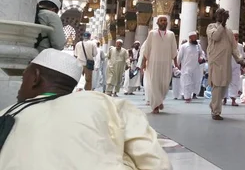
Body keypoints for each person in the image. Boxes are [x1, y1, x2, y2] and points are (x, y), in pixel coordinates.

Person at [0, 49, 171, 169]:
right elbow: (155, 161)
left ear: (35, 78)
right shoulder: (104, 102)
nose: (20, 89)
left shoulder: (7, 114)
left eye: (23, 79)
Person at [206, 8, 242, 120]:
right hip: (216, 62)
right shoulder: (211, 27)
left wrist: (239, 59)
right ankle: (216, 111)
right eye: (221, 15)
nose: (223, 18)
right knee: (217, 85)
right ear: (217, 16)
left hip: (226, 63)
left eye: (225, 16)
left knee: (223, 86)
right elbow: (216, 36)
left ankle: (214, 104)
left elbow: (234, 48)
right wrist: (221, 25)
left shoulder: (229, 31)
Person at [142, 15, 178, 114]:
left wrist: (176, 63)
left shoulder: (171, 34)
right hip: (153, 62)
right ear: (157, 23)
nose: (163, 22)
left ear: (167, 23)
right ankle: (155, 106)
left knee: (164, 84)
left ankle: (159, 100)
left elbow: (174, 49)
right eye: (161, 20)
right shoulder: (152, 33)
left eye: (165, 20)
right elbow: (147, 49)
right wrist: (143, 63)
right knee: (154, 83)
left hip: (166, 63)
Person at [177, 32, 205, 103]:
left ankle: (191, 95)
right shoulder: (184, 46)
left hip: (196, 68)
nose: (195, 39)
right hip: (186, 68)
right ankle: (187, 97)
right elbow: (179, 57)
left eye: (196, 37)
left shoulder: (198, 46)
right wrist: (177, 65)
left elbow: (201, 54)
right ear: (190, 38)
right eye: (194, 37)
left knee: (194, 82)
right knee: (187, 83)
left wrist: (201, 58)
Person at [224, 30, 244, 106]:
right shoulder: (226, 45)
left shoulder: (240, 46)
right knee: (225, 83)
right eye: (234, 36)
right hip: (227, 66)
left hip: (236, 67)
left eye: (237, 36)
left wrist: (242, 67)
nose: (235, 38)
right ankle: (224, 99)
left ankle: (233, 100)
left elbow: (241, 57)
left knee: (235, 83)